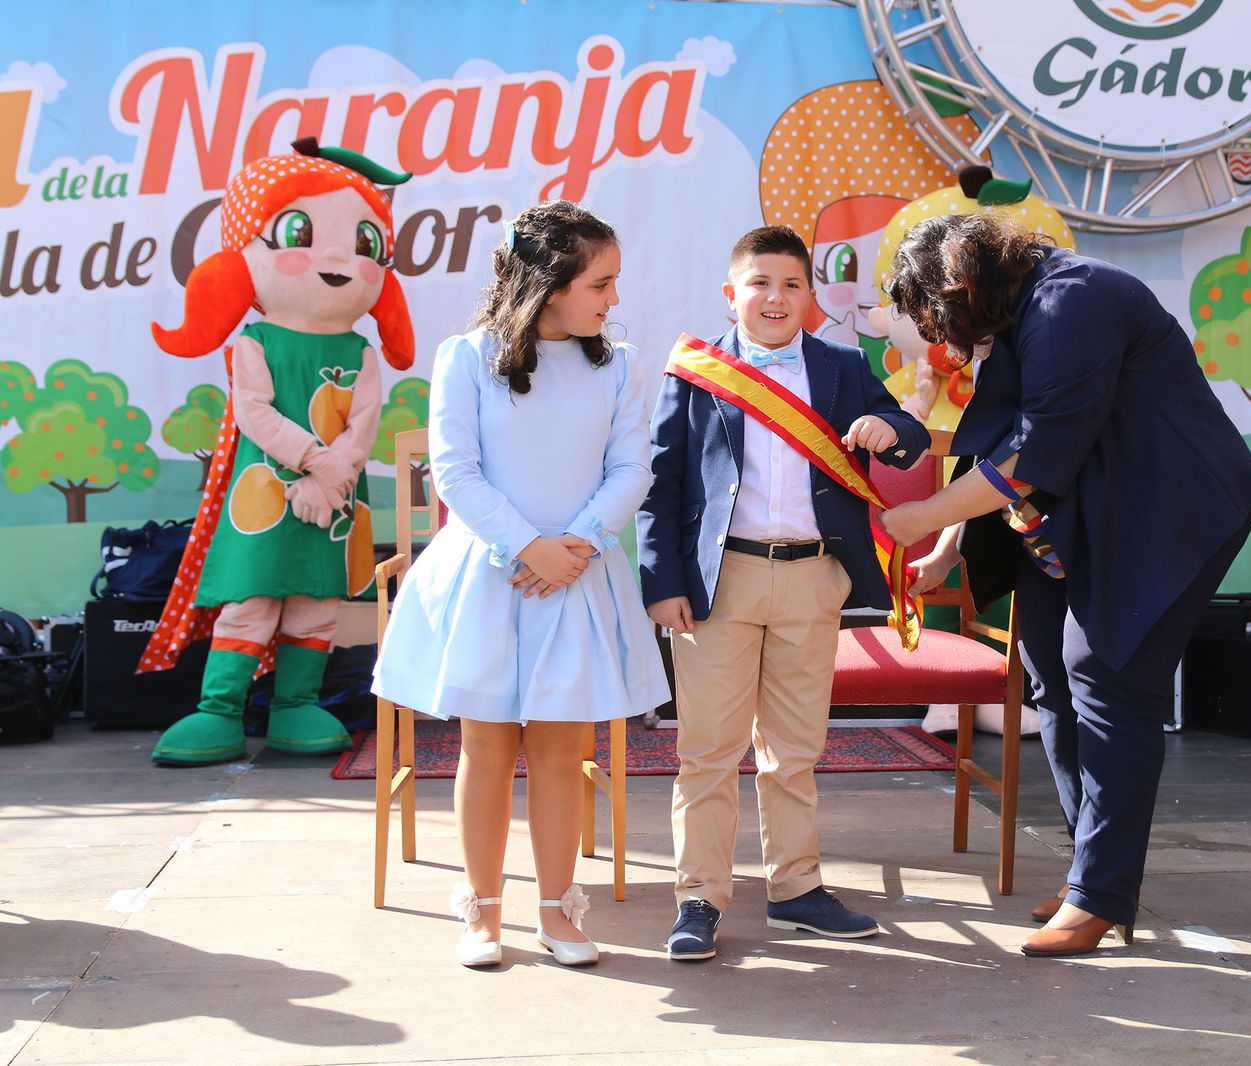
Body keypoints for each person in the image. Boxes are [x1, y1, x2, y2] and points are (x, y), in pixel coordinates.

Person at [878, 214, 1251, 958]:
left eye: (941, 316)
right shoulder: (1019, 312)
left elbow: (1030, 455)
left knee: (1108, 675)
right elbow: (994, 449)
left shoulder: (1072, 301)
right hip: (1094, 507)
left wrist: (924, 514)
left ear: (963, 286)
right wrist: (948, 550)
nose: (945, 340)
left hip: (1171, 508)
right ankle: (1095, 867)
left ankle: (1101, 893)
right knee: (1047, 670)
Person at [371, 201, 668, 968]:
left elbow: (631, 466)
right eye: (600, 282)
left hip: (577, 575)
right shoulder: (467, 356)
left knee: (563, 748)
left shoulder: (621, 366)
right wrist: (527, 547)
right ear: (549, 281)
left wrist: (578, 544)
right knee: (488, 745)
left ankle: (558, 912)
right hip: (493, 577)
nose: (613, 298)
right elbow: (456, 470)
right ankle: (483, 911)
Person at [637, 224, 930, 961]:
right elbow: (661, 486)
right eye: (760, 283)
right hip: (719, 582)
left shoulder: (840, 366)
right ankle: (698, 898)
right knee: (707, 751)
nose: (775, 297)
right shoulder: (697, 372)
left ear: (811, 297)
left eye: (792, 284)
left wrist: (886, 427)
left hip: (812, 575)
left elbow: (911, 437)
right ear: (731, 294)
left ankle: (796, 889)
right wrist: (662, 582)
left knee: (794, 750)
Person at [142, 138, 414, 766]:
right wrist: (318, 461)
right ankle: (220, 711)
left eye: (365, 244)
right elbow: (254, 413)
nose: (339, 257)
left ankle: (296, 706)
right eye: (300, 231)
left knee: (317, 598)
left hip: (339, 492)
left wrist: (338, 469)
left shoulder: (361, 353)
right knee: (254, 594)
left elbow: (363, 421)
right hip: (263, 490)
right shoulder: (254, 341)